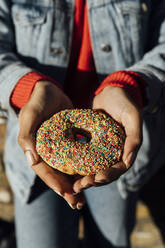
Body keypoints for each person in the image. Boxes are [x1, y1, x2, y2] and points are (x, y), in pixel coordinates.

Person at [0, 0, 165, 247]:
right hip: (36, 159)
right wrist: (27, 89)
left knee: (110, 241)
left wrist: (133, 86)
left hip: (117, 149)